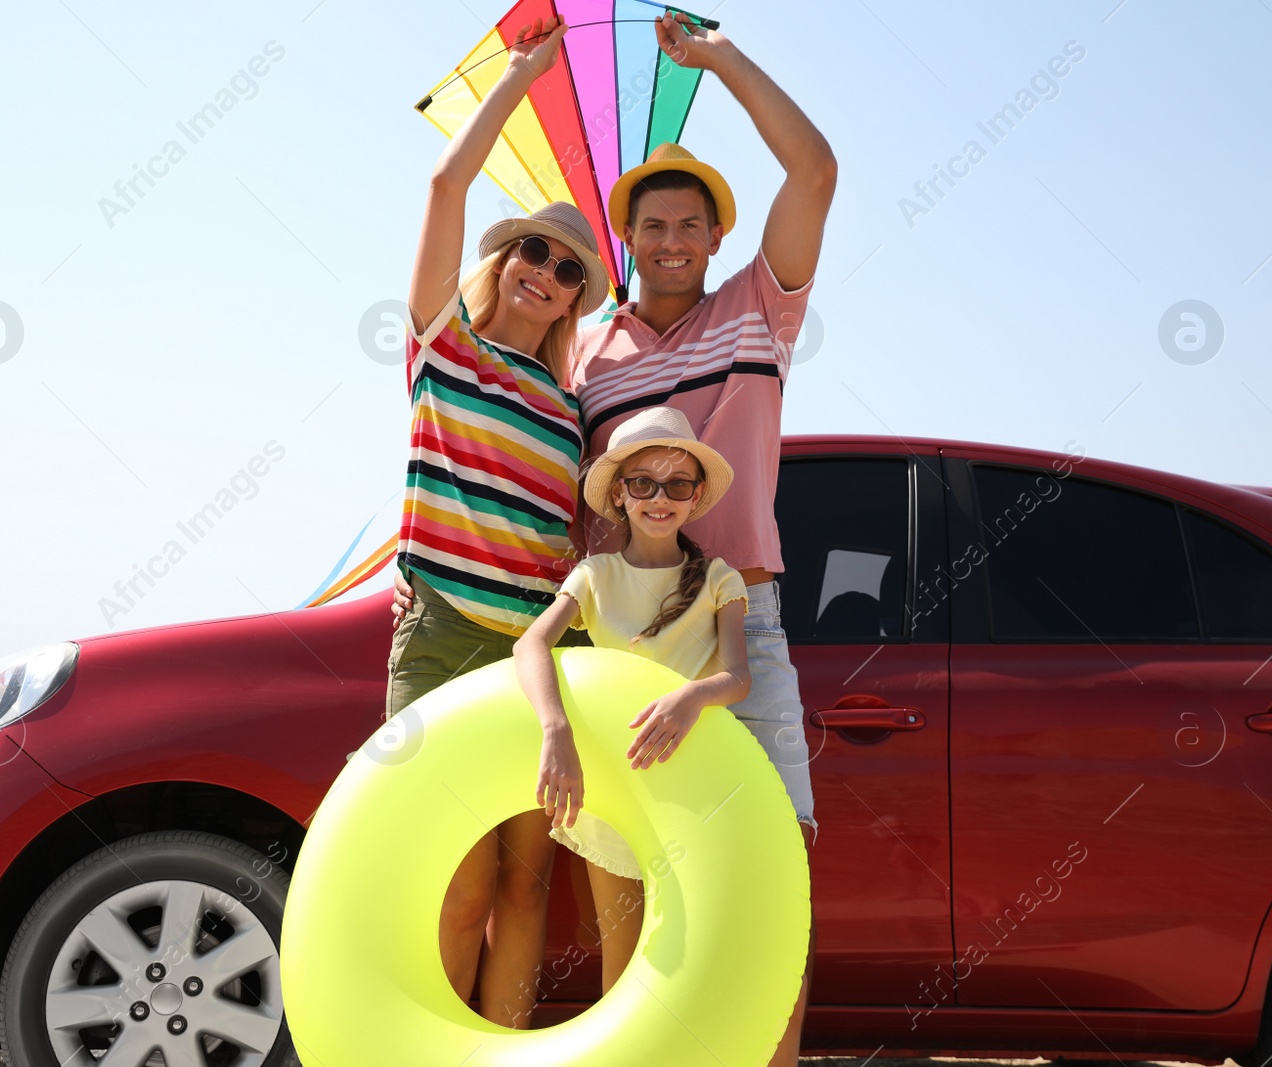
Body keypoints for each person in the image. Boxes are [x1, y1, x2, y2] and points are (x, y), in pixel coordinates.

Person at [566, 14, 837, 1064]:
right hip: (624, 629)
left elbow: (815, 165)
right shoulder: (586, 353)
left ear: (716, 237)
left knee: (775, 869)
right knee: (627, 873)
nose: (670, 242)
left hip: (742, 619)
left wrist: (717, 61)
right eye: (651, 227)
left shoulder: (758, 313)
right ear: (626, 239)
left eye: (688, 225)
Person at [388, 14, 608, 1029]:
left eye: (568, 271)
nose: (546, 273)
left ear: (573, 302)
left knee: (527, 884)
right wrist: (519, 78)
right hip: (437, 641)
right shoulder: (445, 345)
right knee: (458, 877)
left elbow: (571, 539)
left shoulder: (570, 412)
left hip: (530, 657)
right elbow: (443, 189)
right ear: (503, 257)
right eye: (533, 250)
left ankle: (502, 1049)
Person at [512, 407, 752, 994]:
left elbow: (739, 677)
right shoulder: (595, 575)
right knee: (625, 959)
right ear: (620, 494)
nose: (659, 498)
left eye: (676, 485)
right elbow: (531, 643)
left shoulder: (721, 578)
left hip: (694, 788)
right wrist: (555, 729)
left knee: (692, 954)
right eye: (643, 483)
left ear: (695, 497)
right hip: (615, 785)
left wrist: (691, 698)